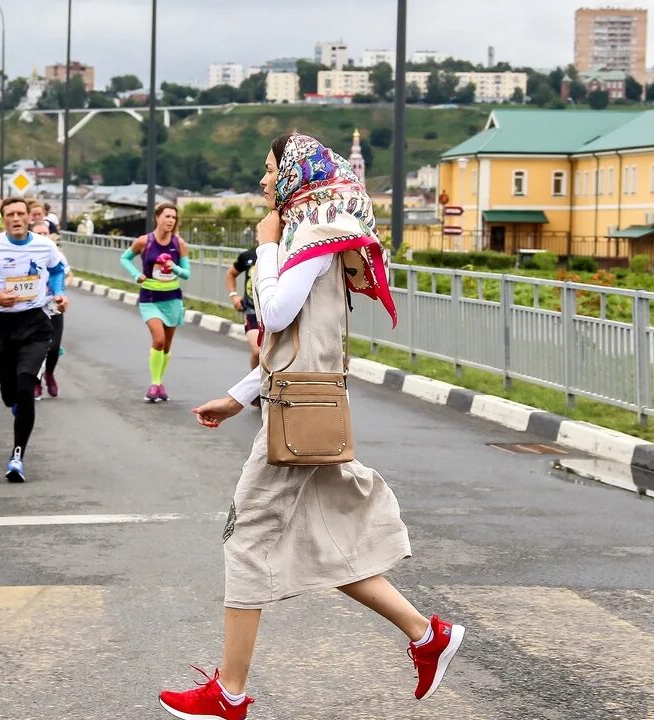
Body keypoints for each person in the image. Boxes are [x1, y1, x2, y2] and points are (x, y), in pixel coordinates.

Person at [158, 134, 464, 720]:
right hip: (298, 404)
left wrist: (267, 248)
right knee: (328, 546)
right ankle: (427, 636)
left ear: (297, 174)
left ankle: (229, 693)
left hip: (299, 415)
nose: (264, 180)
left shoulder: (315, 238)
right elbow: (292, 340)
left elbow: (274, 313)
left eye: (271, 169)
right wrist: (236, 395)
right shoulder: (315, 234)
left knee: (246, 539)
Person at [0, 197, 68, 483]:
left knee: (25, 385)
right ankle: (14, 401)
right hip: (1, 325)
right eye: (10, 215)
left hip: (35, 322)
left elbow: (58, 270)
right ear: (3, 219)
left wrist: (58, 293)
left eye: (21, 213)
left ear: (29, 218)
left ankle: (17, 456)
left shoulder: (44, 246)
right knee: (10, 393)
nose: (17, 218)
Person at [120, 204, 189, 402]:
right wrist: (136, 275)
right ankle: (155, 383)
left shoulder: (179, 243)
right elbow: (125, 258)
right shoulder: (144, 241)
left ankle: (160, 382)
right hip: (150, 298)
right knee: (158, 339)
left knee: (166, 346)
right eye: (167, 216)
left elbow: (187, 273)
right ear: (157, 217)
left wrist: (173, 267)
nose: (170, 221)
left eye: (174, 218)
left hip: (172, 298)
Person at [30, 222, 69, 400]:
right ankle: (36, 382)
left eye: (46, 233)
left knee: (53, 348)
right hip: (34, 308)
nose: (43, 236)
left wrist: (61, 294)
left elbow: (63, 275)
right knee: (38, 348)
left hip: (53, 306)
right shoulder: (27, 255)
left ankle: (49, 374)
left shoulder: (58, 256)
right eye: (39, 233)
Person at [226, 248, 261, 373]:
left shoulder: (282, 252)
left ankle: (267, 384)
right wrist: (234, 296)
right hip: (251, 310)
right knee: (257, 351)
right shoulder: (248, 255)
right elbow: (231, 274)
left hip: (272, 311)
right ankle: (256, 385)